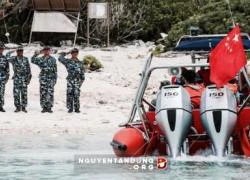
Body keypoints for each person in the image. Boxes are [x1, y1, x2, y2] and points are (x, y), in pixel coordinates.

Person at [59, 48, 85, 113]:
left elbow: (82, 72)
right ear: (71, 54)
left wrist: (82, 80)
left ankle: (77, 108)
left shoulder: (80, 62)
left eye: (76, 53)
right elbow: (60, 58)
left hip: (77, 80)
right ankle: (70, 108)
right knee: (69, 94)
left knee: (76, 94)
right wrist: (65, 53)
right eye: (73, 53)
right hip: (70, 80)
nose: (75, 54)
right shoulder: (68, 61)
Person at [31, 47, 57, 113]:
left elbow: (55, 70)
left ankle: (49, 107)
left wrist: (55, 79)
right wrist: (37, 53)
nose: (46, 51)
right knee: (43, 93)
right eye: (45, 50)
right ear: (43, 51)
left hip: (51, 78)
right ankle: (44, 107)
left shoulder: (53, 59)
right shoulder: (40, 59)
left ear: (49, 51)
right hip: (43, 77)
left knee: (50, 93)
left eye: (48, 50)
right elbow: (32, 60)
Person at [6, 47, 32, 113]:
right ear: (17, 52)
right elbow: (7, 57)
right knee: (16, 93)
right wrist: (11, 51)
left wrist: (29, 78)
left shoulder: (25, 59)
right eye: (18, 51)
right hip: (17, 78)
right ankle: (17, 107)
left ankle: (23, 107)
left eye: (21, 51)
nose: (20, 52)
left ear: (22, 52)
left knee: (24, 93)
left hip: (24, 79)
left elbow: (28, 69)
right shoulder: (14, 59)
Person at [0, 43, 9, 112]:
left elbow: (7, 69)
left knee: (1, 92)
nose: (1, 50)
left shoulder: (5, 58)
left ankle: (0, 106)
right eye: (0, 48)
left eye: (2, 49)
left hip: (2, 78)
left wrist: (7, 77)